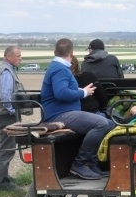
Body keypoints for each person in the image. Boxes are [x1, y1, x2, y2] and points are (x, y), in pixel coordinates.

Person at [42, 38, 115, 180]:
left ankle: (92, 164)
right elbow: (61, 93)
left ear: (55, 52)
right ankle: (80, 164)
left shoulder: (59, 67)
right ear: (72, 52)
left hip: (65, 112)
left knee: (110, 124)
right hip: (59, 114)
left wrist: (81, 90)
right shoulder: (59, 69)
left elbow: (63, 90)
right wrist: (83, 93)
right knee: (101, 124)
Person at [0, 46, 26, 191]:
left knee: (1, 147)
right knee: (7, 148)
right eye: (18, 56)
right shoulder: (6, 72)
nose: (20, 58)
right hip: (6, 115)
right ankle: (4, 183)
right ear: (8, 56)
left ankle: (2, 177)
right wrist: (13, 111)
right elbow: (6, 97)